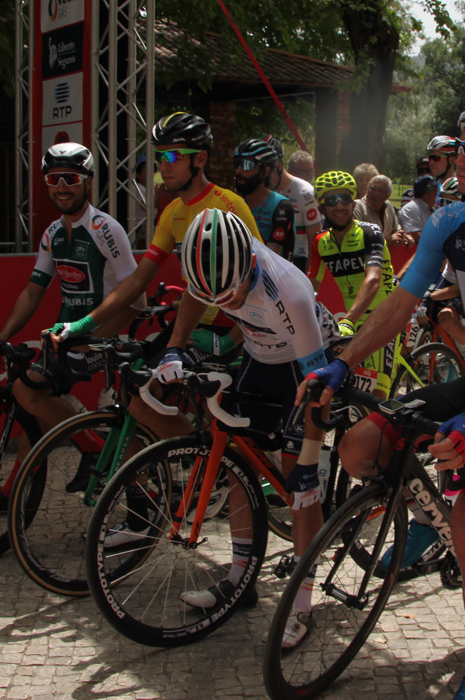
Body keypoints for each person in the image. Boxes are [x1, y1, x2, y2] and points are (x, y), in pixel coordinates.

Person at [303, 95, 465, 700]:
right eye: (457, 145)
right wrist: (342, 362)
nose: (458, 158)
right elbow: (400, 305)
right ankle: (426, 517)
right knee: (360, 446)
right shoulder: (449, 222)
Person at [173, 209, 330, 647]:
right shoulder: (212, 267)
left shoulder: (289, 290)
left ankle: (302, 604)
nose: (226, 305)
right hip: (259, 361)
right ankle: (240, 580)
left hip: (302, 369)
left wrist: (310, 459)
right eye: (215, 298)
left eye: (231, 294)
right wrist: (173, 348)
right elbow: (194, 297)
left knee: (301, 486)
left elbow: (318, 388)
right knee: (237, 465)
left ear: (250, 264)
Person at [50, 113, 261, 437]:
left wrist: (231, 339)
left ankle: (199, 456)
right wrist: (82, 324)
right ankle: (185, 455)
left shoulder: (228, 204)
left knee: (146, 395)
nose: (163, 165)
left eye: (173, 156)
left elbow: (261, 276)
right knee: (132, 390)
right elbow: (137, 280)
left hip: (228, 328)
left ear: (200, 159)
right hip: (191, 323)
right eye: (160, 156)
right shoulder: (173, 212)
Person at [0, 142, 141, 516]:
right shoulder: (52, 233)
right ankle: (14, 492)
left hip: (102, 339)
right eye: (53, 178)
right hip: (67, 337)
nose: (61, 186)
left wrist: (93, 335)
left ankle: (92, 448)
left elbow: (135, 300)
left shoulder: (105, 229)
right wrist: (4, 333)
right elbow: (33, 291)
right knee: (35, 411)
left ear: (87, 182)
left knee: (27, 389)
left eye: (71, 179)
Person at [306, 170, 397, 398]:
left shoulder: (369, 232)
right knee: (341, 387)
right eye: (332, 200)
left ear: (353, 203)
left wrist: (348, 320)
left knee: (375, 396)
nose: (339, 206)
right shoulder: (319, 242)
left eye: (345, 199)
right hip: (351, 322)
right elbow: (311, 285)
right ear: (322, 208)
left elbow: (373, 279)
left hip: (383, 316)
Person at [233, 137, 295, 259]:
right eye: (237, 164)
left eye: (247, 165)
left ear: (266, 171)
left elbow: (269, 257)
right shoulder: (236, 204)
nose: (239, 170)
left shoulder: (282, 206)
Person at [265, 138, 320, 272]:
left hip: (298, 258)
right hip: (273, 259)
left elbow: (315, 238)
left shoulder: (305, 192)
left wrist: (310, 275)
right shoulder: (265, 189)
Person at [353, 174, 412, 246]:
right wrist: (388, 239)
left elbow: (396, 229)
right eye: (373, 188)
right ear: (367, 189)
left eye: (380, 191)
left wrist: (405, 237)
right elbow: (358, 236)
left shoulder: (388, 205)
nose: (375, 193)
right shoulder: (357, 206)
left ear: (387, 195)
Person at [398, 174, 438, 240]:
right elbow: (413, 234)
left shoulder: (432, 209)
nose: (437, 196)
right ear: (428, 194)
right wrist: (438, 239)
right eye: (435, 192)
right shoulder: (410, 209)